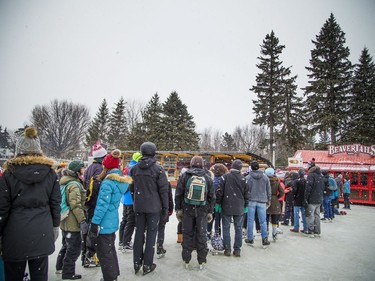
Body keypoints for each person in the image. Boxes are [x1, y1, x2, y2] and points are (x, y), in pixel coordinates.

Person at [0, 127, 61, 281]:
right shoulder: (50, 173)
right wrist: (54, 226)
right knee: (39, 275)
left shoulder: (9, 173)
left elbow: (2, 208)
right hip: (42, 232)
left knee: (14, 275)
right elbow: (55, 203)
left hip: (15, 234)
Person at [88, 149, 132, 281]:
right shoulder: (119, 181)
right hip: (112, 221)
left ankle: (109, 277)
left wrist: (95, 223)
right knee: (110, 249)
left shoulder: (108, 183)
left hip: (104, 222)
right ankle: (113, 273)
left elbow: (102, 206)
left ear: (106, 167)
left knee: (104, 252)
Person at [129, 142, 169, 275]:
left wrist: (137, 200)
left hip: (139, 206)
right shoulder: (158, 169)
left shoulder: (134, 169)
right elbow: (164, 191)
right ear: (153, 152)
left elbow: (132, 189)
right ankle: (147, 264)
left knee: (139, 232)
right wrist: (165, 208)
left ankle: (136, 262)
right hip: (154, 207)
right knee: (152, 234)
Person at [175, 156, 215, 269]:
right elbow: (212, 196)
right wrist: (210, 211)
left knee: (187, 234)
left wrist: (178, 209)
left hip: (187, 208)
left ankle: (186, 259)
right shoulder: (207, 176)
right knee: (201, 234)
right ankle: (201, 260)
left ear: (191, 164)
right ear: (202, 164)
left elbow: (178, 194)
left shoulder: (185, 175)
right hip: (202, 209)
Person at [56, 160, 86, 280]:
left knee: (66, 245)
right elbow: (75, 205)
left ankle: (60, 266)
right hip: (72, 221)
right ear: (77, 170)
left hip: (65, 219)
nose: (83, 170)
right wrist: (82, 220)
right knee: (74, 248)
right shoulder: (74, 184)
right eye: (82, 168)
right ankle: (68, 272)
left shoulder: (65, 181)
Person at [81, 142, 107, 267]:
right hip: (94, 203)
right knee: (93, 230)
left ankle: (85, 254)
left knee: (88, 230)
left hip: (88, 203)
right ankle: (90, 256)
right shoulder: (99, 169)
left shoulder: (90, 167)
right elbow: (96, 187)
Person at [216, 160, 249, 257]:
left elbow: (220, 192)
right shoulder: (244, 179)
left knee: (226, 228)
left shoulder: (225, 177)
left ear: (232, 167)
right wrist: (246, 205)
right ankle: (237, 249)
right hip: (239, 207)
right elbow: (247, 194)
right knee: (238, 228)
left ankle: (227, 249)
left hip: (226, 206)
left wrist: (218, 203)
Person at [245, 160, 271, 247]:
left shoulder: (248, 178)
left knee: (250, 220)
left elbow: (246, 190)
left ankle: (250, 238)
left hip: (251, 200)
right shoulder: (265, 177)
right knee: (263, 221)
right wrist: (269, 199)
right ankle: (265, 238)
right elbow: (268, 189)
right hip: (262, 200)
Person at [119, 152, 141, 252]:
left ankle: (122, 241)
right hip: (131, 199)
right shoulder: (134, 168)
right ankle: (126, 243)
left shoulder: (128, 167)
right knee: (131, 221)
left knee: (125, 220)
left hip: (125, 198)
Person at [304, 161, 324, 238]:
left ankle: (310, 230)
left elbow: (308, 187)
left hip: (312, 198)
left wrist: (306, 198)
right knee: (317, 215)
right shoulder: (320, 176)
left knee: (310, 215)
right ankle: (317, 231)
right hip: (319, 198)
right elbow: (323, 188)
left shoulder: (311, 176)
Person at [208, 163, 228, 239]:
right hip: (220, 204)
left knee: (209, 220)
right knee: (218, 220)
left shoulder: (210, 179)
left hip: (211, 203)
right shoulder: (224, 180)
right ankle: (217, 235)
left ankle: (208, 233)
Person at [265, 167, 284, 241]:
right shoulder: (277, 181)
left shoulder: (265, 181)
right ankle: (274, 234)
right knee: (274, 219)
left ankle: (265, 233)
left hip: (266, 200)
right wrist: (277, 197)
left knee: (265, 219)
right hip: (275, 200)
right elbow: (282, 192)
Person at [156, 182, 174, 258]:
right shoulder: (165, 182)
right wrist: (170, 208)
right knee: (161, 227)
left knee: (151, 228)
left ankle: (149, 247)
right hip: (163, 207)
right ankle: (159, 246)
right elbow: (169, 196)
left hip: (151, 207)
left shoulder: (150, 179)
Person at [290, 169, 308, 233]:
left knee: (296, 214)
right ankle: (306, 228)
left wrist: (293, 196)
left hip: (297, 199)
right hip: (304, 200)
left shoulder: (297, 181)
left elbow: (294, 190)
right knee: (304, 214)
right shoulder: (306, 181)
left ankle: (296, 227)